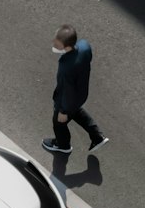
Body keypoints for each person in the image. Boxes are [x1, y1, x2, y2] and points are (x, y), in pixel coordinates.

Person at [42, 24, 108, 157]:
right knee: (77, 111)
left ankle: (63, 145)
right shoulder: (84, 46)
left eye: (57, 43)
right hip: (81, 93)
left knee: (59, 123)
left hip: (67, 100)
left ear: (66, 46)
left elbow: (67, 91)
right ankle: (97, 136)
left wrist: (63, 111)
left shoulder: (66, 67)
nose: (54, 44)